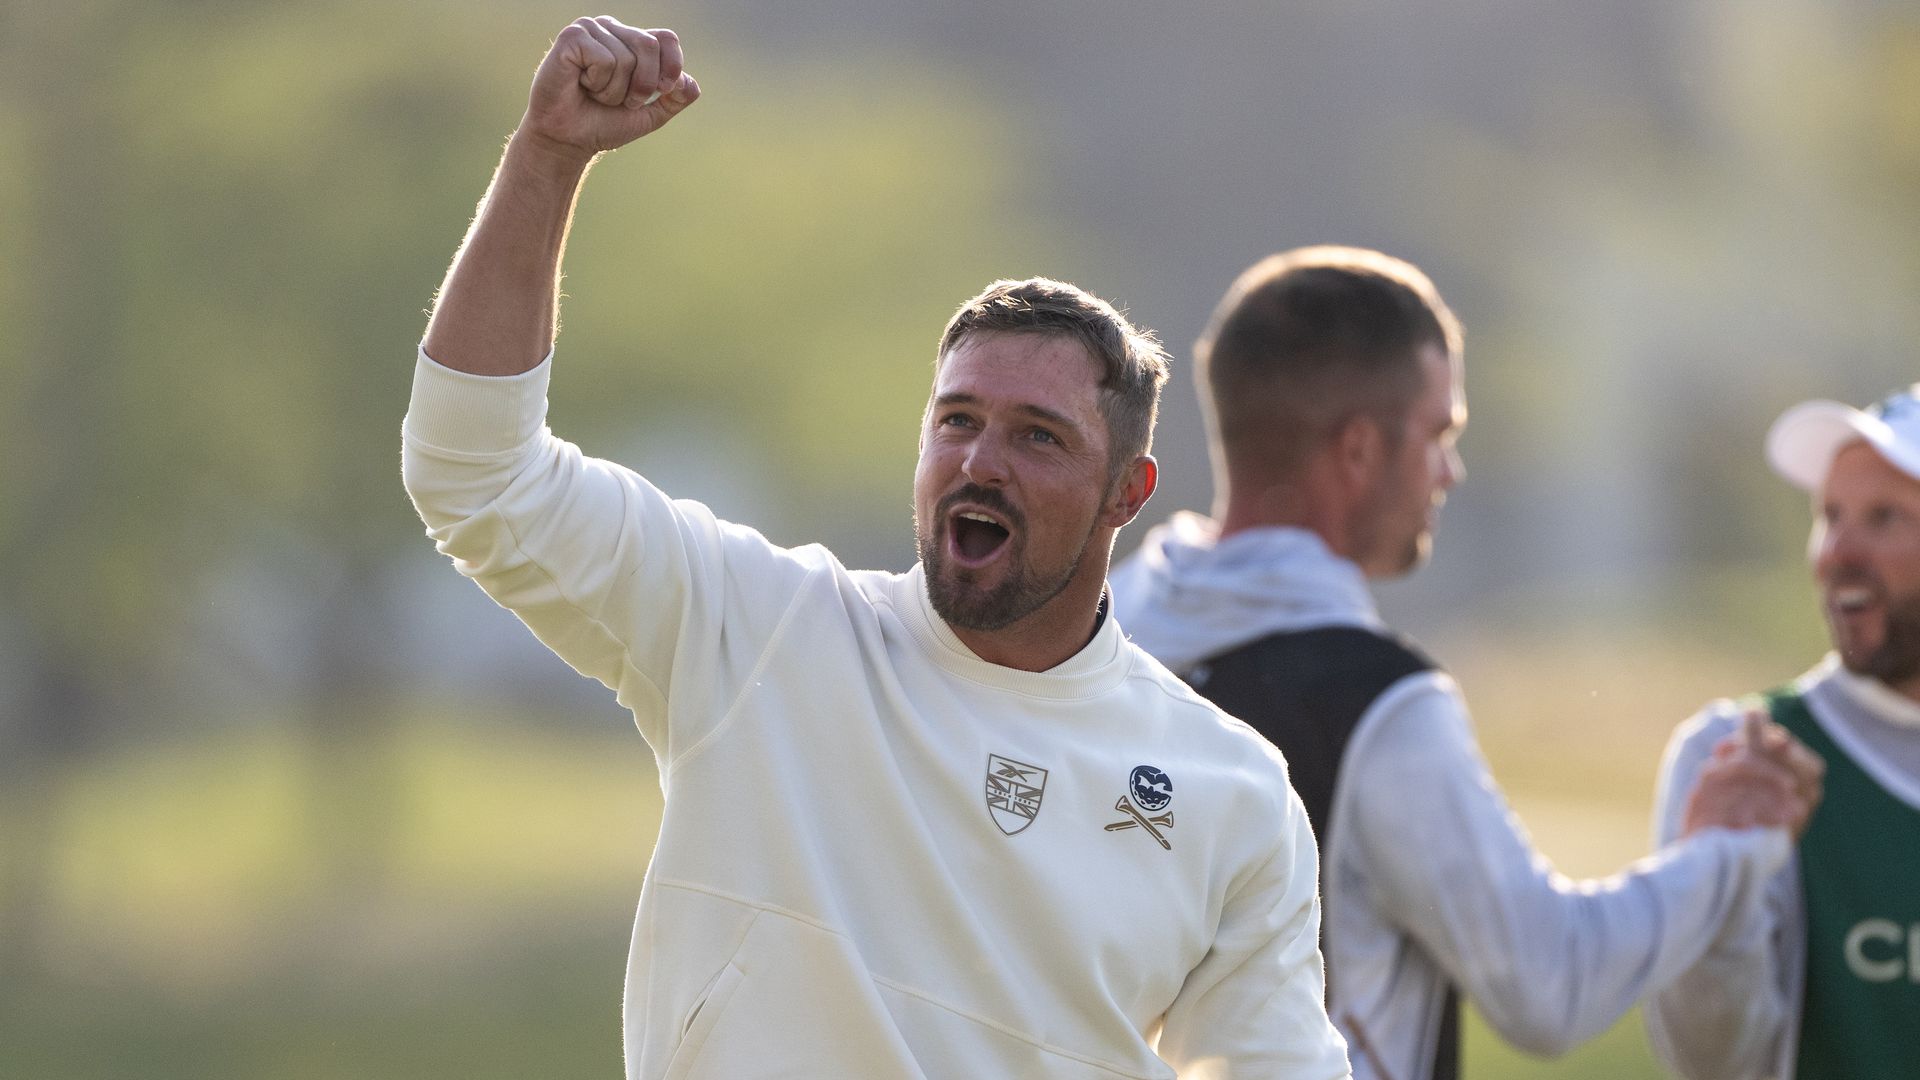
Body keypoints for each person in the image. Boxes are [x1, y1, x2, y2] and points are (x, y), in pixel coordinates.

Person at [400, 17, 1352, 1079]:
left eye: (1038, 437)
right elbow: (473, 475)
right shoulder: (761, 628)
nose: (981, 461)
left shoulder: (1226, 787)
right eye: (956, 421)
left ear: (1127, 493)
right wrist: (548, 157)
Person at [1109, 245, 1825, 1080]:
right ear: (1358, 451)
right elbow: (1548, 983)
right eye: (1439, 432)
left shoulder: (1096, 633)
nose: (1450, 470)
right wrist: (1727, 853)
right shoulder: (1379, 703)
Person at [1647, 386, 1920, 1079]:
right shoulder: (1738, 758)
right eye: (1829, 516)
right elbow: (1707, 1064)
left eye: (1884, 517)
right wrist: (1722, 878)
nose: (1836, 553)